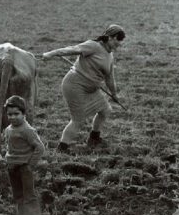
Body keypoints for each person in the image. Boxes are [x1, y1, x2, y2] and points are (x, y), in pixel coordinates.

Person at [42, 24, 126, 152]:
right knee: (78, 119)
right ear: (109, 37)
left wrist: (114, 93)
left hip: (92, 89)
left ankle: (94, 138)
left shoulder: (110, 55)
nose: (119, 44)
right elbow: (72, 49)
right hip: (75, 85)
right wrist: (51, 54)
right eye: (117, 40)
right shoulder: (93, 46)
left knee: (105, 110)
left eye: (120, 41)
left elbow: (109, 77)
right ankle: (62, 148)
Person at [2, 95, 45, 215]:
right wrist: (7, 157)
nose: (13, 117)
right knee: (17, 194)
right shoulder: (8, 129)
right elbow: (9, 146)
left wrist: (30, 165)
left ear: (24, 113)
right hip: (12, 167)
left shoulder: (27, 130)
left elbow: (40, 148)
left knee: (29, 195)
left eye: (16, 114)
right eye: (10, 114)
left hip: (24, 168)